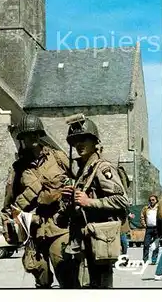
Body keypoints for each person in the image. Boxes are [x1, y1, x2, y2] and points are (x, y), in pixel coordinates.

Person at [1, 114, 75, 288]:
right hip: (34, 231)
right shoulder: (18, 169)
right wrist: (16, 223)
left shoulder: (57, 157)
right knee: (41, 279)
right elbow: (9, 206)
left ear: (40, 134)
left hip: (60, 225)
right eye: (27, 134)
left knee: (67, 275)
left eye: (35, 133)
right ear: (22, 138)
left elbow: (79, 180)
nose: (32, 137)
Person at [62, 113, 129, 288]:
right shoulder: (82, 171)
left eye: (84, 139)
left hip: (99, 239)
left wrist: (89, 202)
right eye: (75, 140)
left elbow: (122, 200)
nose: (79, 144)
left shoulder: (102, 168)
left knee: (101, 287)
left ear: (94, 142)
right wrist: (71, 199)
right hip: (83, 240)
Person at [140, 194, 160, 265]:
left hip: (157, 229)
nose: (151, 201)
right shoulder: (146, 208)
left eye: (153, 200)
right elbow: (142, 216)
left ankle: (154, 260)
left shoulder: (159, 208)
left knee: (156, 245)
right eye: (150, 200)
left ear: (156, 200)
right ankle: (145, 260)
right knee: (146, 244)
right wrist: (144, 225)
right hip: (149, 229)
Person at [154, 194, 162, 281]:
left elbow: (159, 220)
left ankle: (158, 272)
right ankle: (158, 272)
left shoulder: (161, 204)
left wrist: (161, 235)